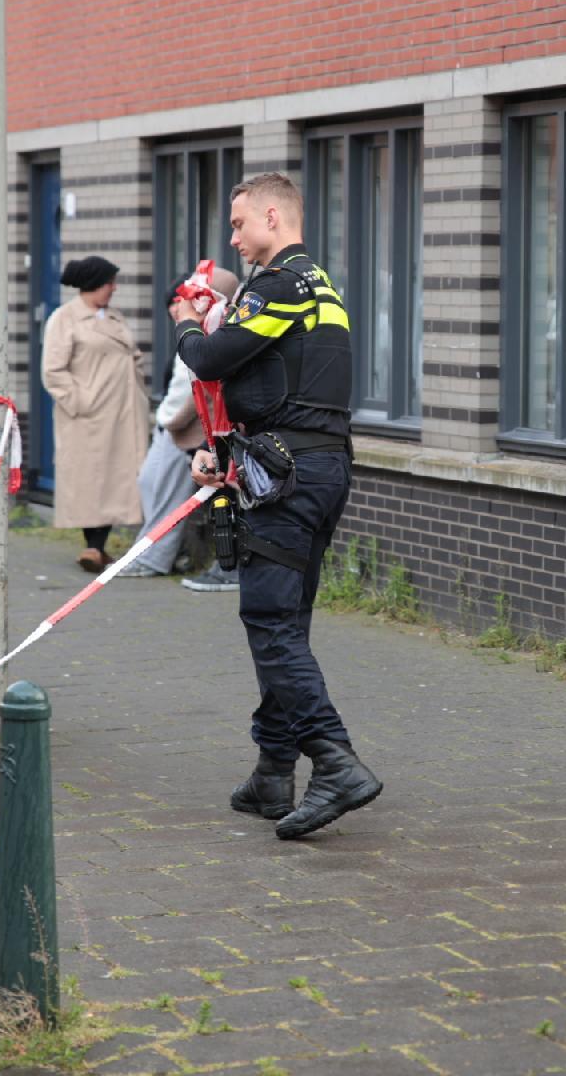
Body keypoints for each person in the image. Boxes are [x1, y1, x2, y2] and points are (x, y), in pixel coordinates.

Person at [172, 171, 382, 841]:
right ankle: (272, 771)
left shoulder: (280, 285)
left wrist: (182, 321)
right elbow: (275, 387)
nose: (233, 239)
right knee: (285, 620)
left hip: (288, 480)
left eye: (239, 225)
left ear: (272, 215)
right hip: (313, 468)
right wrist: (225, 451)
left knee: (270, 620)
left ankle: (334, 761)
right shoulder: (324, 290)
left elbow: (211, 359)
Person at [126, 265, 242, 581]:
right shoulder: (196, 333)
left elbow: (195, 384)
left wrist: (168, 419)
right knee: (155, 486)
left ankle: (158, 557)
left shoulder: (212, 334)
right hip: (194, 433)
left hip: (198, 432)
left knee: (173, 492)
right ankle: (154, 553)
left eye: (192, 298)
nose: (182, 307)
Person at [41, 255, 149, 572]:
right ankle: (93, 547)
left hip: (123, 413)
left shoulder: (114, 317)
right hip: (88, 417)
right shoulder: (63, 320)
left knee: (116, 478)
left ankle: (97, 548)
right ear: (92, 285)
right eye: (109, 283)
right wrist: (82, 402)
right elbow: (53, 371)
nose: (114, 288)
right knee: (90, 480)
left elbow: (132, 355)